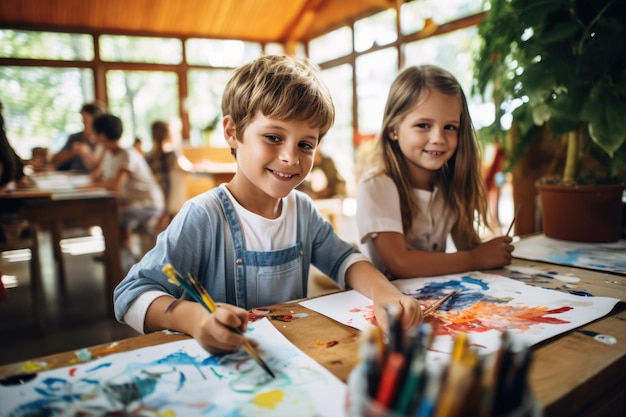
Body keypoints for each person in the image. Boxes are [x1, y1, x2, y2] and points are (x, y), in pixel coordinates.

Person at [113, 55, 422, 355]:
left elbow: (347, 261)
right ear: (233, 132)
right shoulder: (204, 216)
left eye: (305, 144)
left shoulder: (302, 211)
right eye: (274, 136)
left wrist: (385, 292)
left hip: (292, 364)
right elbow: (130, 295)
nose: (290, 157)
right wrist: (194, 319)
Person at [355, 65, 514, 279]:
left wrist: (492, 251)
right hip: (388, 303)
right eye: (423, 125)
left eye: (450, 127)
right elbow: (400, 263)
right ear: (393, 130)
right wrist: (476, 257)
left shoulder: (450, 181)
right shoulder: (376, 185)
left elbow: (467, 245)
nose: (438, 138)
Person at [88, 114, 165, 268]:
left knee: (114, 218)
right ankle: (126, 255)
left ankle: (118, 259)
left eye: (94, 133)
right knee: (115, 215)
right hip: (134, 203)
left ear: (102, 136)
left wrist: (92, 185)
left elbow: (116, 185)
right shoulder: (110, 154)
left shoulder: (127, 154)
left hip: (148, 204)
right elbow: (96, 177)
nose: (91, 136)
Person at [144, 120, 193, 226]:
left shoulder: (149, 156)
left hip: (156, 195)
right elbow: (186, 168)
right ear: (168, 134)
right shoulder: (171, 154)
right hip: (171, 195)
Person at [51, 101, 107, 172]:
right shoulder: (75, 138)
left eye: (86, 122)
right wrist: (73, 152)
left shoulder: (104, 141)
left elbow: (99, 168)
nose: (83, 125)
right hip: (71, 175)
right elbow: (54, 159)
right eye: (83, 121)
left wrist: (86, 153)